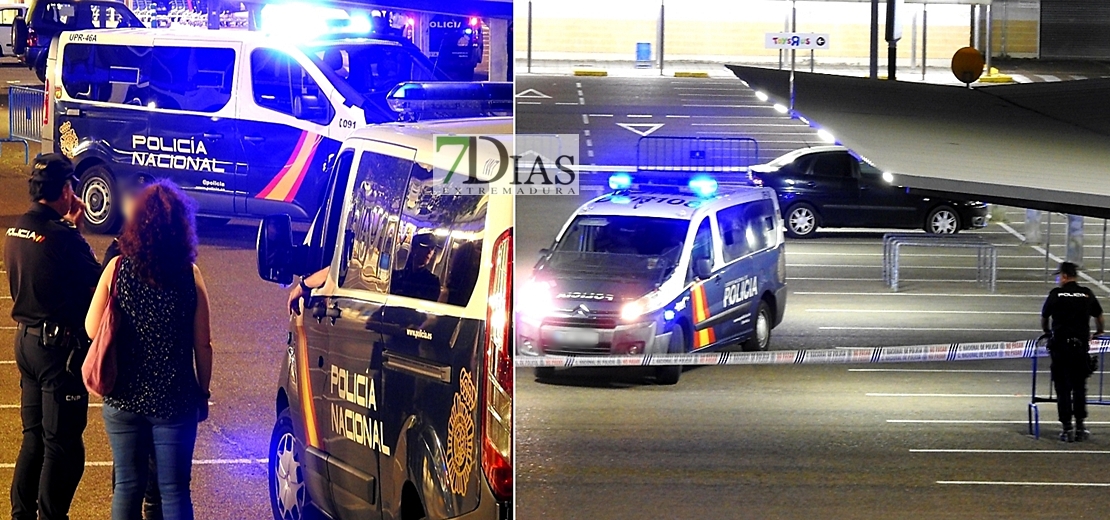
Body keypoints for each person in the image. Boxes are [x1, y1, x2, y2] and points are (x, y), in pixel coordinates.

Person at [85, 180, 214, 520]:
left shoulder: (118, 269)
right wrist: (202, 391)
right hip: (175, 399)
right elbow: (203, 343)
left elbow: (90, 326)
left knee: (127, 485)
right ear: (180, 228)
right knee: (174, 491)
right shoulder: (190, 275)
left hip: (124, 396)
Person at [5, 154, 102, 520]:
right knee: (62, 447)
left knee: (33, 439)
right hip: (57, 351)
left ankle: (20, 514)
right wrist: (76, 232)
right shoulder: (62, 238)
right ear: (65, 190)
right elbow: (98, 278)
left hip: (26, 342)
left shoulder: (16, 230)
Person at [101, 185, 164, 520]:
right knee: (166, 486)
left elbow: (93, 323)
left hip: (125, 383)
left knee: (126, 480)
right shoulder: (180, 262)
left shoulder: (117, 258)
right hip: (165, 387)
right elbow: (200, 337)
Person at [1041, 261, 1104, 442]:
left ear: (1065, 276)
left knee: (1062, 389)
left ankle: (1067, 428)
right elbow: (1099, 317)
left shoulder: (1056, 294)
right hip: (1080, 348)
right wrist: (1099, 332)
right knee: (1079, 388)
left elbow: (1044, 317)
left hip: (1060, 348)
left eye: (1059, 275)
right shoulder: (1086, 294)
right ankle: (1080, 427)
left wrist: (1047, 332)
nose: (1058, 279)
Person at [391, 233, 442, 301]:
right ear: (414, 248)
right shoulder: (396, 276)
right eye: (425, 247)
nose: (429, 251)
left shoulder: (432, 282)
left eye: (432, 248)